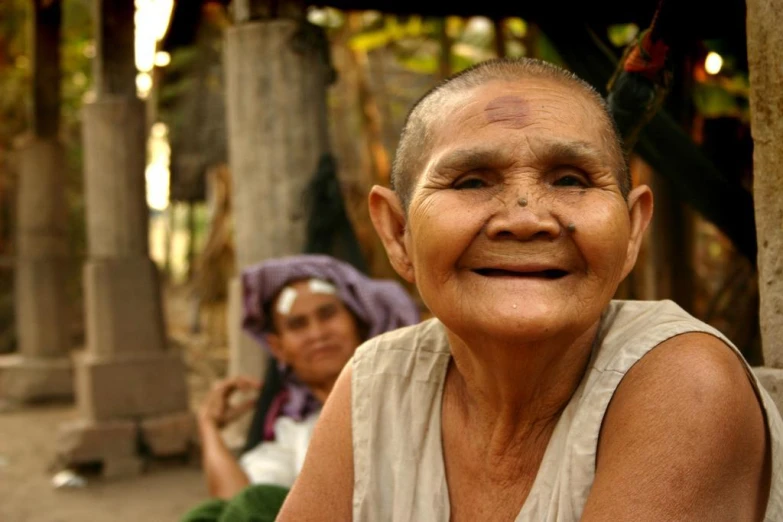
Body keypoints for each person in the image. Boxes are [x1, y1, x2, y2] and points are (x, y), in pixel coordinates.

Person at [276, 58, 783, 521]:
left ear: (631, 231)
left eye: (570, 179)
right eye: (472, 182)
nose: (526, 220)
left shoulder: (684, 382)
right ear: (397, 232)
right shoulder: (377, 384)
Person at [182, 254, 419, 522]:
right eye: (298, 324)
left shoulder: (408, 398)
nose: (317, 334)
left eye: (327, 314)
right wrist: (208, 427)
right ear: (279, 348)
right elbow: (234, 501)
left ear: (359, 320)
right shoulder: (296, 429)